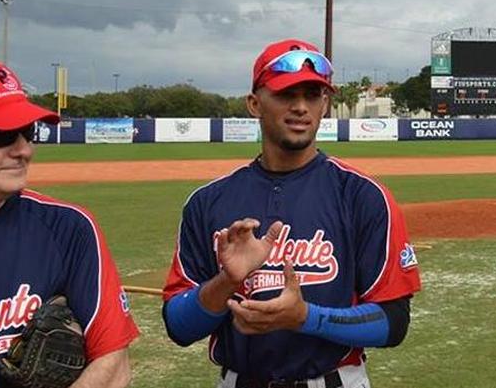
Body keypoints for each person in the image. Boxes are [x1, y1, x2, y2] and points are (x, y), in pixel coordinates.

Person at [162, 39, 420, 388]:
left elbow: (393, 322)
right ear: (255, 104)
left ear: (325, 104)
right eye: (286, 94)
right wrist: (227, 282)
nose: (301, 107)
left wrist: (304, 318)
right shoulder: (208, 201)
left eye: (313, 95)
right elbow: (178, 326)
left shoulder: (363, 196)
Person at [0, 60, 137, 388]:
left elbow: (114, 366)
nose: (24, 150)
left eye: (27, 133)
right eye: (1, 134)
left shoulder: (68, 228)